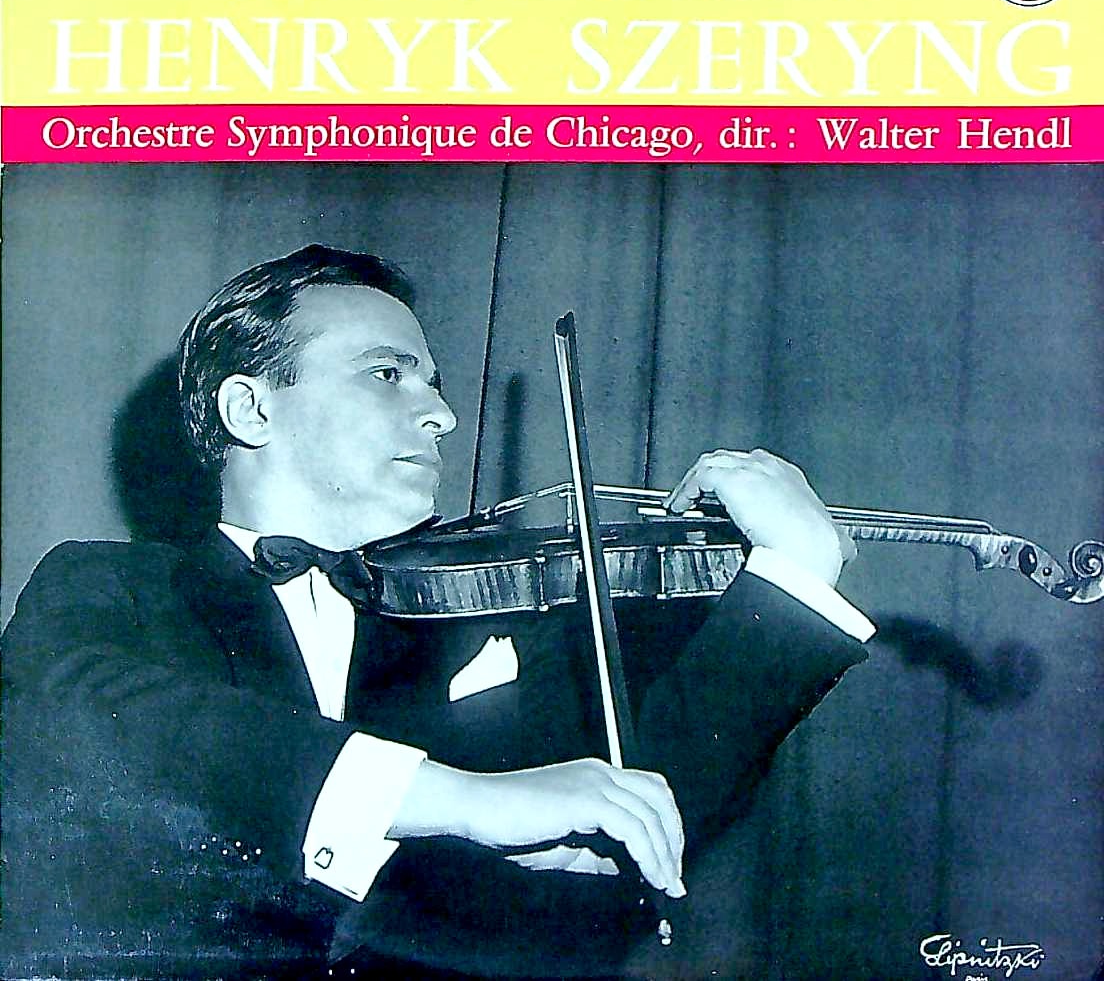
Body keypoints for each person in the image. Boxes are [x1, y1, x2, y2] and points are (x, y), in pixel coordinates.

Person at [1, 245, 874, 980]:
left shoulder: (485, 629)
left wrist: (795, 580)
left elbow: (644, 807)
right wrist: (462, 799)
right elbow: (93, 720)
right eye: (388, 375)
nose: (445, 416)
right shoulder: (111, 587)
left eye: (434, 383)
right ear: (251, 408)